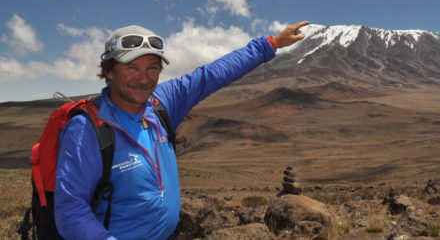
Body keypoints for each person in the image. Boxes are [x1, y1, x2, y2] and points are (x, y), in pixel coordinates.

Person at [54, 21, 309, 239]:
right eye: (132, 68)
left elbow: (212, 75)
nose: (144, 79)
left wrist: (271, 44)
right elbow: (70, 210)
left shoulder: (160, 102)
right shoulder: (87, 128)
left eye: (152, 68)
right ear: (109, 71)